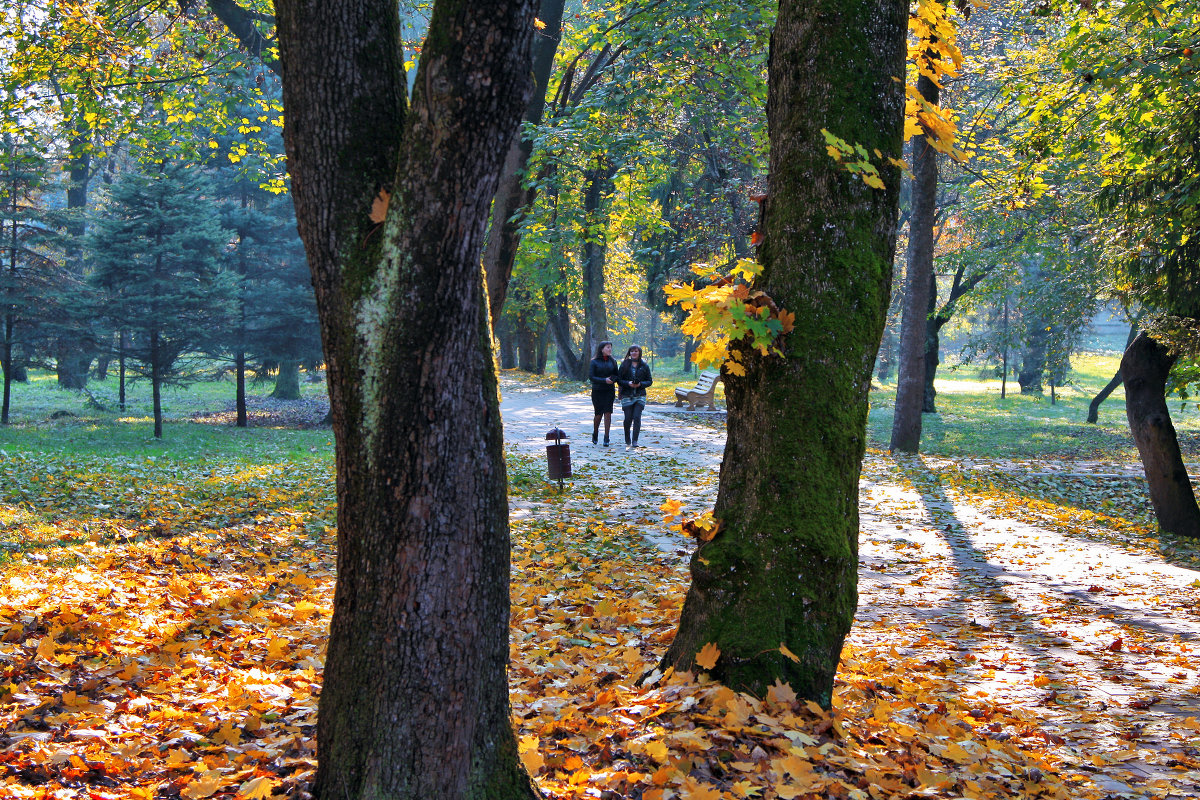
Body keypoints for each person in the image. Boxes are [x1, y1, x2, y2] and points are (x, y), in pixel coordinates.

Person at [616, 345, 652, 448]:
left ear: (639, 352)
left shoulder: (644, 366)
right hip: (627, 395)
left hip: (640, 395)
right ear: (629, 353)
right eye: (632, 351)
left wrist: (640, 384)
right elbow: (619, 380)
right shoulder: (624, 364)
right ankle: (627, 435)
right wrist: (628, 383)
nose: (634, 353)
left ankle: (635, 440)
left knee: (637, 416)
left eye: (636, 351)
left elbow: (649, 381)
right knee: (628, 418)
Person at [588, 341, 618, 446]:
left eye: (610, 347)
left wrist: (613, 379)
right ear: (602, 349)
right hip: (598, 390)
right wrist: (604, 380)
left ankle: (606, 437)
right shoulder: (594, 362)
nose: (610, 349)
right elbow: (591, 377)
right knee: (598, 414)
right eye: (608, 347)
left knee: (608, 413)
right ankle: (595, 433)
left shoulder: (613, 361)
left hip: (609, 390)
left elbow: (616, 374)